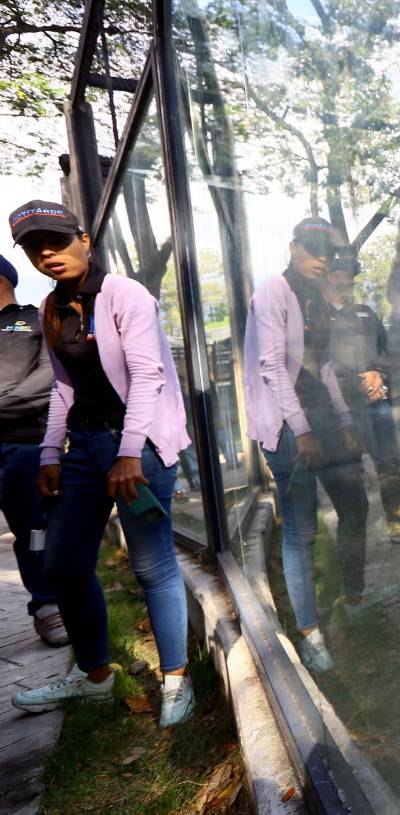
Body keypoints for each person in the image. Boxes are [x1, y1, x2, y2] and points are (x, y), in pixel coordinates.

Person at [7, 200, 196, 727]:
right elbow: (63, 387)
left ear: (84, 239)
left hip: (139, 446)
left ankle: (177, 680)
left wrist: (131, 451)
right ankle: (95, 677)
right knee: (63, 563)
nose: (47, 252)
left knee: (151, 564)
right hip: (85, 449)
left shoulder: (124, 294)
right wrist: (50, 453)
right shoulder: (50, 307)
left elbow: (147, 376)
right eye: (32, 246)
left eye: (56, 240)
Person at [243, 217, 369, 673]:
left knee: (354, 504)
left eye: (329, 253)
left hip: (321, 421)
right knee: (301, 530)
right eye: (314, 249)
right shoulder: (273, 290)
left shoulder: (317, 298)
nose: (322, 259)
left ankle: (354, 598)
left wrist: (342, 419)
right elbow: (272, 366)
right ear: (293, 246)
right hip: (288, 426)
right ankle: (310, 634)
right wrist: (303, 430)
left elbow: (326, 365)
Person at [0, 253, 66, 646]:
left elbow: (50, 375)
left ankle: (48, 604)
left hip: (24, 446)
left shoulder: (36, 319)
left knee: (33, 530)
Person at [320, 251, 400, 535]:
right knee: (351, 473)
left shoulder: (366, 313)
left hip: (377, 403)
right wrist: (358, 382)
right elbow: (321, 364)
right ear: (328, 277)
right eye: (340, 273)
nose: (346, 279)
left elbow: (388, 349)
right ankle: (356, 532)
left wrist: (378, 374)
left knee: (390, 463)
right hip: (343, 410)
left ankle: (399, 524)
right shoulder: (317, 318)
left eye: (350, 274)